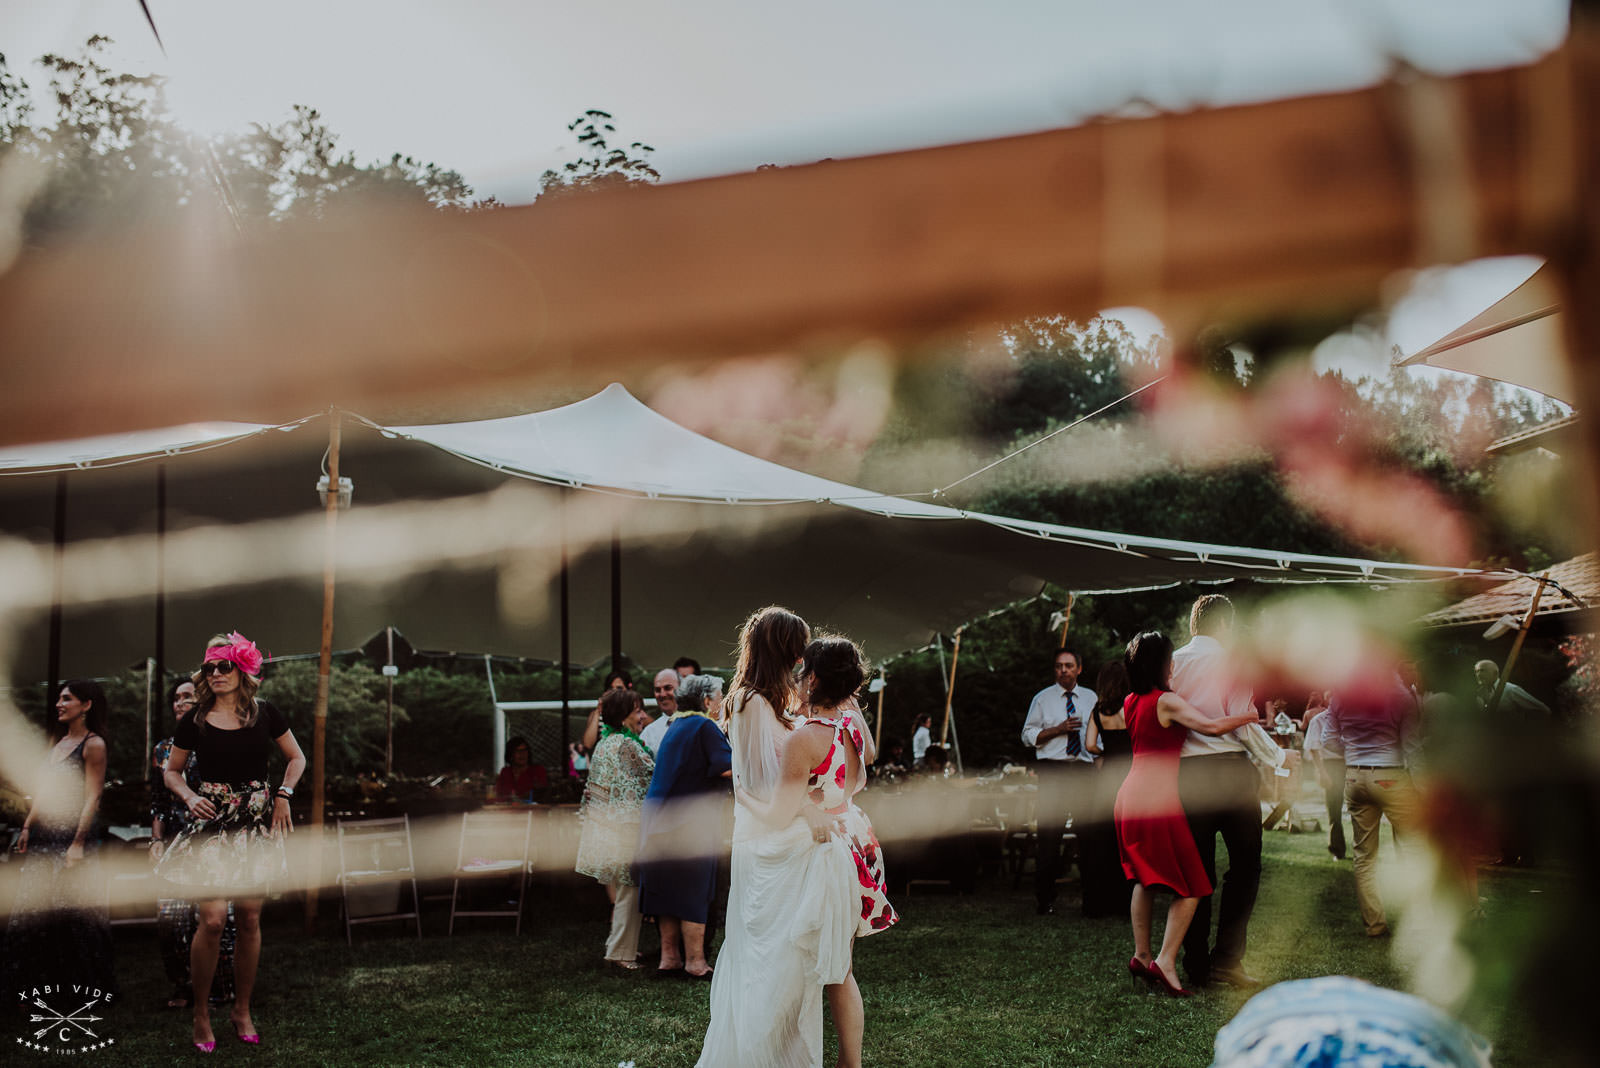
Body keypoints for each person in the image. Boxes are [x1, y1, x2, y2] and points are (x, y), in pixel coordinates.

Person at [697, 606, 858, 1068]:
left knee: (790, 959)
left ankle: (787, 1051)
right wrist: (808, 807)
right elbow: (766, 781)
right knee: (767, 953)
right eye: (797, 646)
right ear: (780, 647)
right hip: (768, 836)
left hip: (788, 832)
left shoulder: (777, 699)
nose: (801, 657)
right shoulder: (749, 701)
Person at [733, 635, 897, 1068]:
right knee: (839, 967)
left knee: (812, 968)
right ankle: (849, 1062)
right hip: (856, 838)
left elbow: (776, 815)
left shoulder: (803, 740)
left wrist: (743, 793)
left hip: (822, 855)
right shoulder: (853, 729)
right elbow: (868, 758)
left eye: (802, 672)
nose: (796, 679)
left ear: (814, 679)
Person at [158, 632, 306, 1052]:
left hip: (254, 825)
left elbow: (296, 757)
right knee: (212, 920)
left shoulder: (266, 714)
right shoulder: (196, 719)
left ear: (243, 670)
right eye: (210, 668)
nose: (217, 674)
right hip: (212, 828)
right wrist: (189, 796)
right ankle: (201, 1013)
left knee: (250, 920)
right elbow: (172, 771)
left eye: (225, 666)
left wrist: (283, 795)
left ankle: (242, 1009)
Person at [1116, 632, 1261, 998]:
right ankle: (1165, 961)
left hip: (1131, 793)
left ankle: (1142, 955)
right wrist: (1249, 714)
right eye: (1169, 661)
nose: (1174, 666)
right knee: (1195, 883)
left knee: (1145, 879)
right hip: (1158, 795)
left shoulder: (1130, 701)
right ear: (1160, 665)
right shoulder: (1166, 701)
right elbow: (1211, 727)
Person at [1171, 594, 1297, 989]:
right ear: (1225, 624)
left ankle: (1194, 964)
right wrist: (1279, 756)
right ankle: (1226, 960)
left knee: (1197, 870)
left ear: (1195, 624)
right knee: (1245, 866)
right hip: (1230, 773)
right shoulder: (1233, 661)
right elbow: (1242, 722)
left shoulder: (1172, 661)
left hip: (1188, 774)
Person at [2, 680, 116, 1021]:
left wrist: (78, 844)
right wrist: (26, 826)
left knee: (77, 919)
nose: (58, 704)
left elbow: (92, 797)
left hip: (71, 837)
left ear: (87, 705)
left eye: (66, 699)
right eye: (59, 698)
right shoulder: (56, 744)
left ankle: (84, 993)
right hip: (42, 836)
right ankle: (27, 992)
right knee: (30, 915)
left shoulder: (93, 745)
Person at [637, 674, 733, 978]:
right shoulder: (704, 726)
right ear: (706, 700)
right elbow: (728, 769)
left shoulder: (676, 726)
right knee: (694, 892)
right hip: (690, 825)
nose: (721, 702)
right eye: (719, 697)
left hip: (657, 822)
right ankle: (695, 962)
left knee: (666, 893)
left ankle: (669, 959)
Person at [150, 680, 236, 1010]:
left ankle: (221, 988)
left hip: (214, 838)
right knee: (170, 918)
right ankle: (182, 985)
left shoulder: (218, 738)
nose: (180, 702)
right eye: (175, 698)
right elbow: (158, 799)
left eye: (187, 696)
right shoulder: (162, 750)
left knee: (217, 919)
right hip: (174, 838)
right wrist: (155, 840)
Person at [1325, 664, 1423, 937]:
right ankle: (1416, 922)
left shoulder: (1341, 694)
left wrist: (1355, 751)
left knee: (1364, 856)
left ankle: (1374, 925)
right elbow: (1412, 747)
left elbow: (1328, 740)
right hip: (1392, 777)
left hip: (1355, 778)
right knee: (1413, 850)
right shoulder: (1401, 695)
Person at [574, 689, 656, 971]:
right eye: (637, 711)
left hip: (609, 827)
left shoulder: (606, 742)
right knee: (629, 891)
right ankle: (621, 953)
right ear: (623, 716)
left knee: (626, 890)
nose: (642, 715)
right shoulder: (625, 745)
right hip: (624, 829)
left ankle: (619, 947)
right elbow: (653, 773)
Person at [1020, 647, 1098, 915]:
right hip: (1053, 772)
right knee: (1049, 837)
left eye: (1068, 665)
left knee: (1087, 838)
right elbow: (1027, 736)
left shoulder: (1091, 698)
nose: (1063, 670)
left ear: (1079, 669)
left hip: (1083, 772)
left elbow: (1098, 739)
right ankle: (1045, 900)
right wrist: (1058, 729)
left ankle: (1091, 900)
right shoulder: (1042, 699)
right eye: (1058, 666)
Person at [1082, 661, 1134, 918]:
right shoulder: (1131, 707)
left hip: (1106, 779)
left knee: (1102, 839)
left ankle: (1096, 903)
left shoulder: (1097, 710)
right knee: (1126, 839)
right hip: (1130, 775)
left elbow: (1089, 745)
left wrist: (1106, 752)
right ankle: (1124, 901)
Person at [1302, 697, 1347, 860]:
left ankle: (1362, 850)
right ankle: (1338, 850)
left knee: (1359, 809)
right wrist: (1322, 772)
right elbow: (1313, 749)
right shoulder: (1319, 720)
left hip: (1353, 762)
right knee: (1334, 810)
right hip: (1331, 765)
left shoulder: (1354, 717)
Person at [1473, 659, 1551, 720]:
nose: (1478, 674)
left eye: (1483, 670)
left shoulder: (1510, 689)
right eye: (1476, 671)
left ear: (1495, 673)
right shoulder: (1480, 693)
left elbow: (1543, 709)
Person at [493, 735, 549, 801]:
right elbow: (498, 795)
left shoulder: (538, 770)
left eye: (524, 750)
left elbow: (542, 795)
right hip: (508, 809)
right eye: (517, 751)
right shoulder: (505, 772)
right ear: (511, 755)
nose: (522, 754)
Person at [640, 668, 681, 752]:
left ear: (681, 688)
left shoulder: (699, 724)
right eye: (658, 690)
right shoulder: (649, 733)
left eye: (668, 688)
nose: (662, 694)